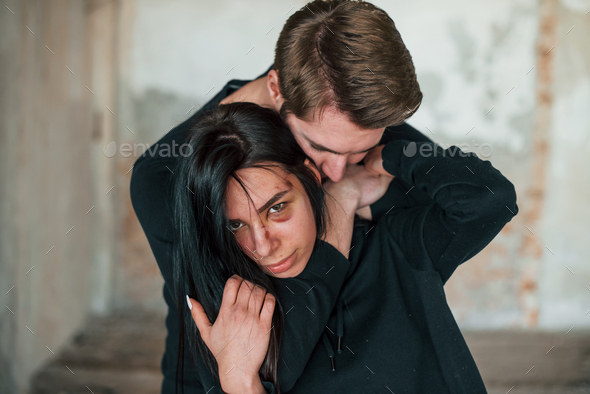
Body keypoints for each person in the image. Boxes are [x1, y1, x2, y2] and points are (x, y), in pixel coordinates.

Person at [130, 1, 433, 392]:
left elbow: (444, 209)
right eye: (318, 147)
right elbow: (266, 364)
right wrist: (342, 201)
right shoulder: (164, 179)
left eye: (359, 152)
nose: (336, 171)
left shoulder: (342, 110)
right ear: (277, 87)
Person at [175, 102, 518, 394]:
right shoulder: (227, 307)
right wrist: (238, 380)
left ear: (310, 177)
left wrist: (391, 155)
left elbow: (489, 201)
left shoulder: (394, 242)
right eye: (236, 224)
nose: (262, 246)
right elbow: (279, 371)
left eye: (277, 208)